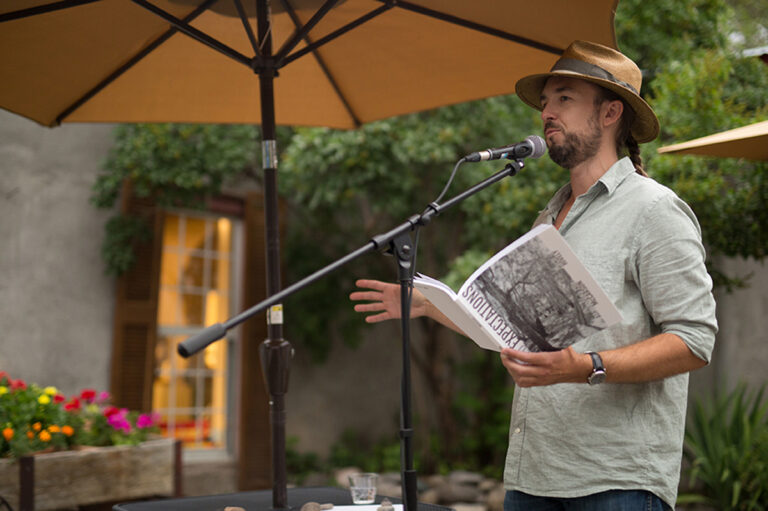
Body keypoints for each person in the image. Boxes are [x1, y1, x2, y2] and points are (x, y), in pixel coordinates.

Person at [350, 40, 718, 510]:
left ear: (610, 113)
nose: (547, 112)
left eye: (564, 98)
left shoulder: (655, 210)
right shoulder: (549, 217)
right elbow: (513, 335)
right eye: (545, 102)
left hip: (615, 482)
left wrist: (586, 367)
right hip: (532, 474)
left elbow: (694, 339)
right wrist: (431, 306)